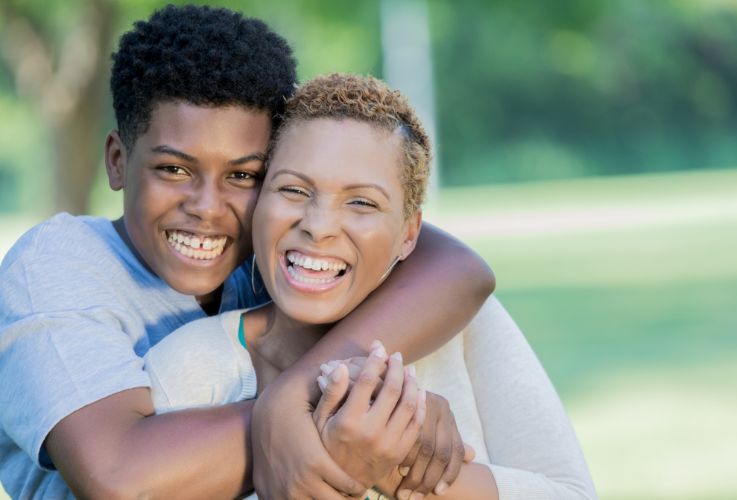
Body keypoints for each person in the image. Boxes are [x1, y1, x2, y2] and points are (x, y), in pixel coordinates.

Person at [0, 6, 495, 499]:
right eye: (174, 169)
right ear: (117, 161)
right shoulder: (56, 265)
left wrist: (296, 391)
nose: (207, 209)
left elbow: (459, 268)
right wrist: (336, 417)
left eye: (244, 176)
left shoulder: (266, 260)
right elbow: (122, 478)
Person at [143, 73, 597, 499]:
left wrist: (394, 464)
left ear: (409, 234)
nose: (318, 227)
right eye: (294, 191)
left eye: (361, 203)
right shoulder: (188, 367)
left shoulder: (461, 326)